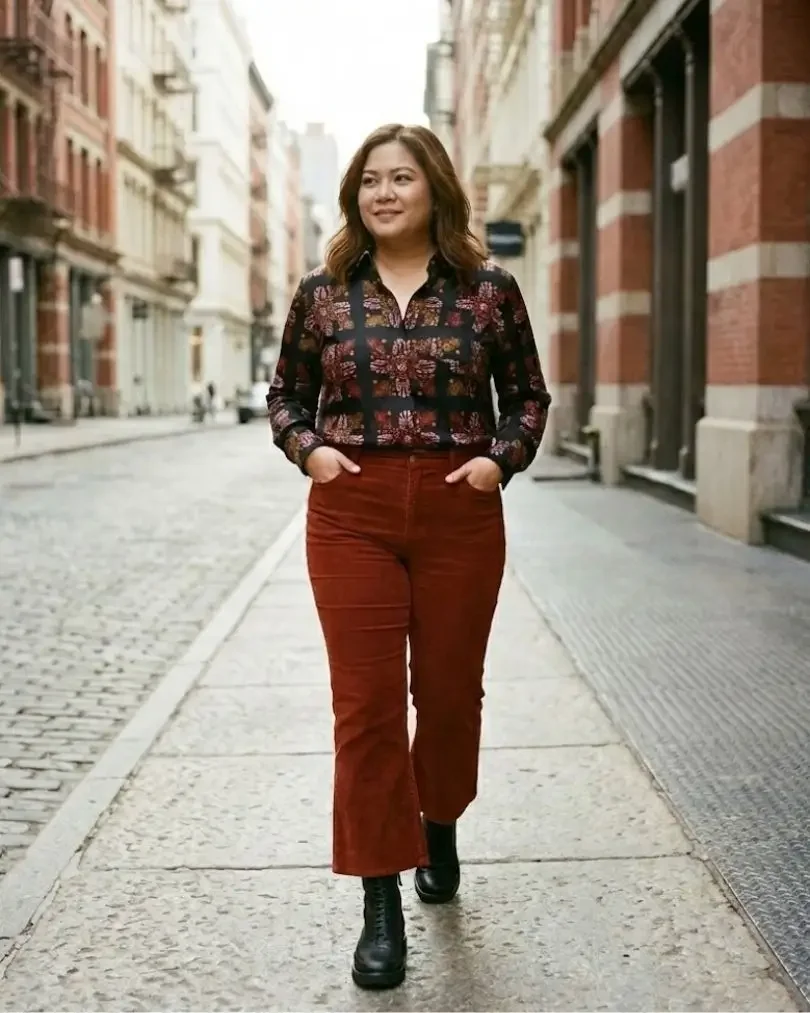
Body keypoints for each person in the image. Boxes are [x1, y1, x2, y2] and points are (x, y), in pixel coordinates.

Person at [266, 123, 550, 990]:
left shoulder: (488, 289)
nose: (384, 193)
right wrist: (311, 449)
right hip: (351, 510)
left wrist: (499, 461)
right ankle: (379, 898)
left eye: (401, 178)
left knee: (451, 694)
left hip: (460, 508)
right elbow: (285, 396)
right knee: (368, 707)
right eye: (370, 180)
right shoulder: (322, 293)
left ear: (436, 190)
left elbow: (527, 396)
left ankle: (440, 821)